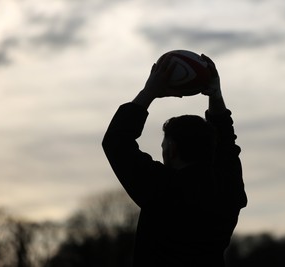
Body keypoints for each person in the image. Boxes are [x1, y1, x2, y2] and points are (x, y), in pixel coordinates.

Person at [102, 53, 247, 266]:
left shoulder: (163, 188)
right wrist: (216, 96)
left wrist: (149, 92)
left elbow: (116, 141)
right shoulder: (227, 190)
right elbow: (226, 145)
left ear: (171, 149)